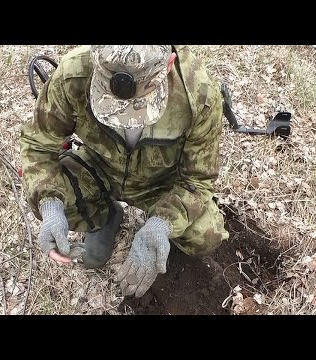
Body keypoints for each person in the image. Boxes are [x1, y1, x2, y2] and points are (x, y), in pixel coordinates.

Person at [20, 45, 229, 298]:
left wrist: (162, 223)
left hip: (161, 184)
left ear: (170, 63)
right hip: (100, 168)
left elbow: (197, 179)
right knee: (49, 199)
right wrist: (50, 206)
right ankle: (104, 218)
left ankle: (159, 234)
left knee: (205, 235)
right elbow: (37, 147)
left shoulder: (199, 94)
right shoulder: (73, 73)